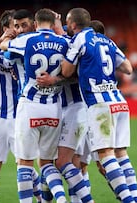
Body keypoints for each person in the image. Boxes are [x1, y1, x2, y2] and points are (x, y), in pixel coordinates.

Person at [60, 7, 137, 203]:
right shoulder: (107, 40)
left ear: (73, 24)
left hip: (100, 104)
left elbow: (67, 71)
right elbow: (128, 69)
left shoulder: (80, 39)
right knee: (121, 153)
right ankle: (135, 198)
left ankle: (129, 201)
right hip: (119, 102)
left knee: (106, 155)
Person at [0, 8, 71, 203]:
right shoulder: (65, 42)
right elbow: (72, 71)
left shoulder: (26, 40)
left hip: (30, 106)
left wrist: (8, 38)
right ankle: (61, 198)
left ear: (36, 24)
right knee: (47, 163)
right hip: (54, 109)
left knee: (25, 163)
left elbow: (6, 49)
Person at [0, 9, 41, 203]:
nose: (19, 29)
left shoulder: (24, 47)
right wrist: (1, 40)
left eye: (21, 26)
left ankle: (39, 199)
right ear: (6, 28)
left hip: (21, 116)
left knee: (25, 165)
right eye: (15, 26)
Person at [36, 13, 94, 203]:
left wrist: (54, 79)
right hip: (66, 110)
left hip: (76, 108)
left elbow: (77, 74)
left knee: (59, 162)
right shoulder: (64, 43)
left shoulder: (73, 44)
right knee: (72, 163)